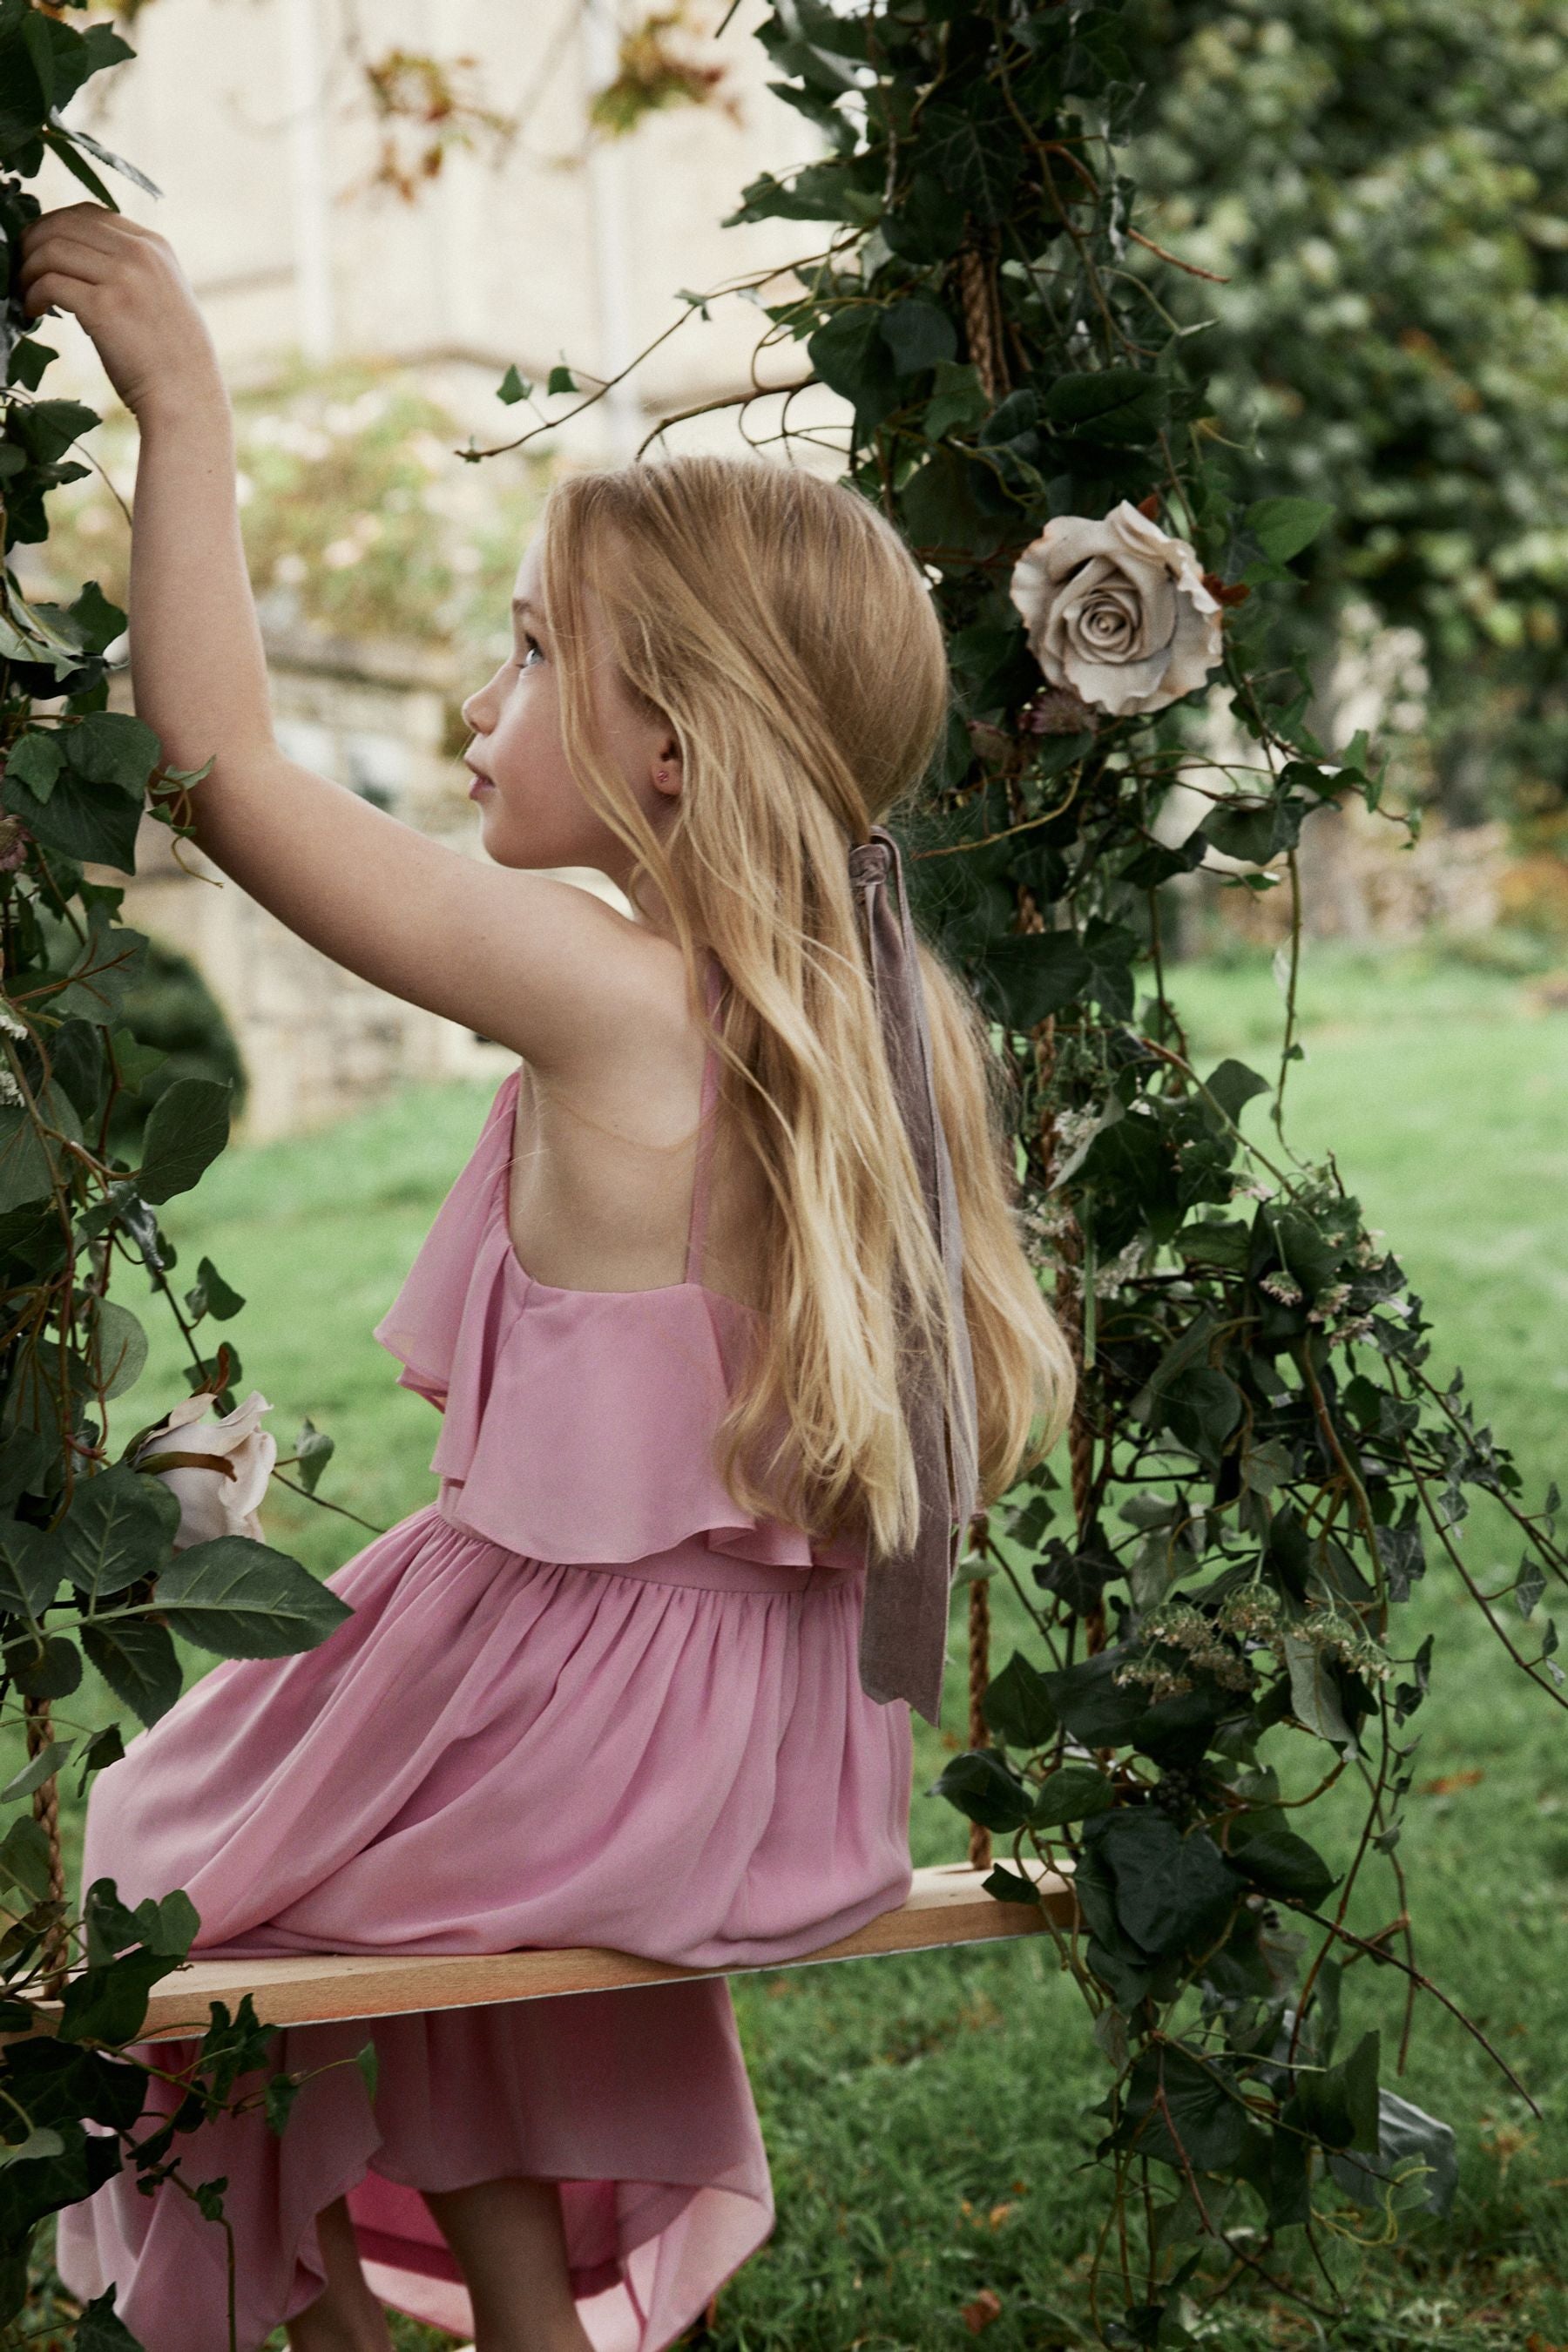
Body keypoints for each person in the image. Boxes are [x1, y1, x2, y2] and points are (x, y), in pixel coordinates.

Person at [20, 205, 1075, 2352]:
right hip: (757, 1762)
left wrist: (185, 401)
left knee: (154, 1852)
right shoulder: (873, 1023)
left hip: (578, 1732)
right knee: (391, 1864)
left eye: (525, 653)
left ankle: (291, 2310)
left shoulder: (608, 996)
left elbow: (218, 764)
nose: (476, 699)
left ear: (665, 744)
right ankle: (517, 2304)